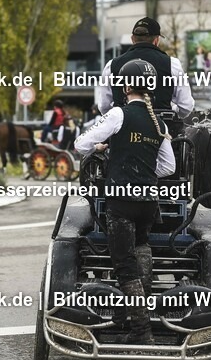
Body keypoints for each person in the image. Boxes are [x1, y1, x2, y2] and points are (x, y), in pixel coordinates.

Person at [75, 59, 175, 344]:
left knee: (123, 263)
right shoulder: (160, 123)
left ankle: (142, 330)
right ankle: (124, 316)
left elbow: (80, 145)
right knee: (141, 249)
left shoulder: (118, 113)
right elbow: (168, 167)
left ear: (127, 86)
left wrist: (101, 148)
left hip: (121, 202)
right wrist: (141, 167)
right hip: (148, 203)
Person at [94, 17, 194, 121]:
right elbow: (186, 106)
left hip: (123, 128)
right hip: (162, 130)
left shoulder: (112, 65)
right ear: (156, 40)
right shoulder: (172, 64)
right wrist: (171, 110)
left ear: (133, 39)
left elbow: (104, 107)